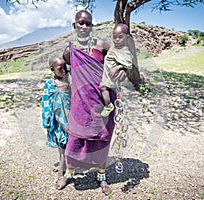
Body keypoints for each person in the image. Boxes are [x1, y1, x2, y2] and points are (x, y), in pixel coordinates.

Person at [58, 10, 127, 195]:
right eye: (81, 23)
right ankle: (70, 172)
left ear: (92, 26)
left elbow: (119, 61)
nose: (84, 26)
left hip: (102, 102)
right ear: (74, 25)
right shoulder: (69, 51)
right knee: (74, 141)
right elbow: (63, 69)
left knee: (102, 140)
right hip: (80, 103)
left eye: (88, 23)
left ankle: (102, 176)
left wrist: (121, 71)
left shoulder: (102, 46)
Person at [41, 55, 71, 189]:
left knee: (69, 145)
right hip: (57, 121)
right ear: (52, 69)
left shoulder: (69, 79)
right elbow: (46, 103)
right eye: (60, 69)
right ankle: (62, 168)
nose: (64, 71)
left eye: (65, 67)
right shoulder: (49, 84)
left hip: (70, 120)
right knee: (61, 145)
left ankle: (63, 171)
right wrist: (46, 120)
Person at [100, 23, 133, 117]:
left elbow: (128, 64)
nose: (117, 39)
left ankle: (108, 106)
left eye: (120, 37)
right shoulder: (115, 48)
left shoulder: (124, 50)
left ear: (127, 37)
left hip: (112, 75)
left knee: (103, 87)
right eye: (114, 37)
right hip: (108, 73)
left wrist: (118, 68)